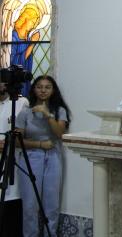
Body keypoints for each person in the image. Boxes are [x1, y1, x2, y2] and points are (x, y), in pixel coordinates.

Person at [15, 75, 71, 237]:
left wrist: (48, 115)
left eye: (47, 87)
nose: (43, 90)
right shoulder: (25, 112)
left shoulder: (59, 111)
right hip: (30, 158)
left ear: (53, 91)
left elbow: (60, 133)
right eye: (39, 87)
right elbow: (17, 141)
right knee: (30, 204)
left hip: (53, 157)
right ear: (33, 89)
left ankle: (50, 233)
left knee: (51, 203)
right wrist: (39, 144)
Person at [0, 82, 29, 236]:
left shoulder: (21, 103)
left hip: (13, 161)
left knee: (11, 203)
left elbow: (27, 130)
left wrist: (11, 141)